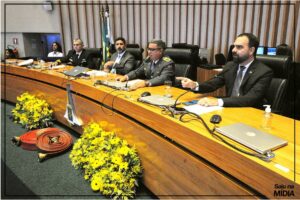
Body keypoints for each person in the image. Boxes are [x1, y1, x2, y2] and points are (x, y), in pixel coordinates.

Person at [178, 33, 273, 107]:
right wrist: (195, 85)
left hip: (251, 111)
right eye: (234, 46)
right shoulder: (231, 66)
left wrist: (218, 101)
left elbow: (251, 99)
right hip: (229, 107)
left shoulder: (264, 72)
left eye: (239, 47)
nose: (233, 50)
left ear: (251, 50)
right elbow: (213, 84)